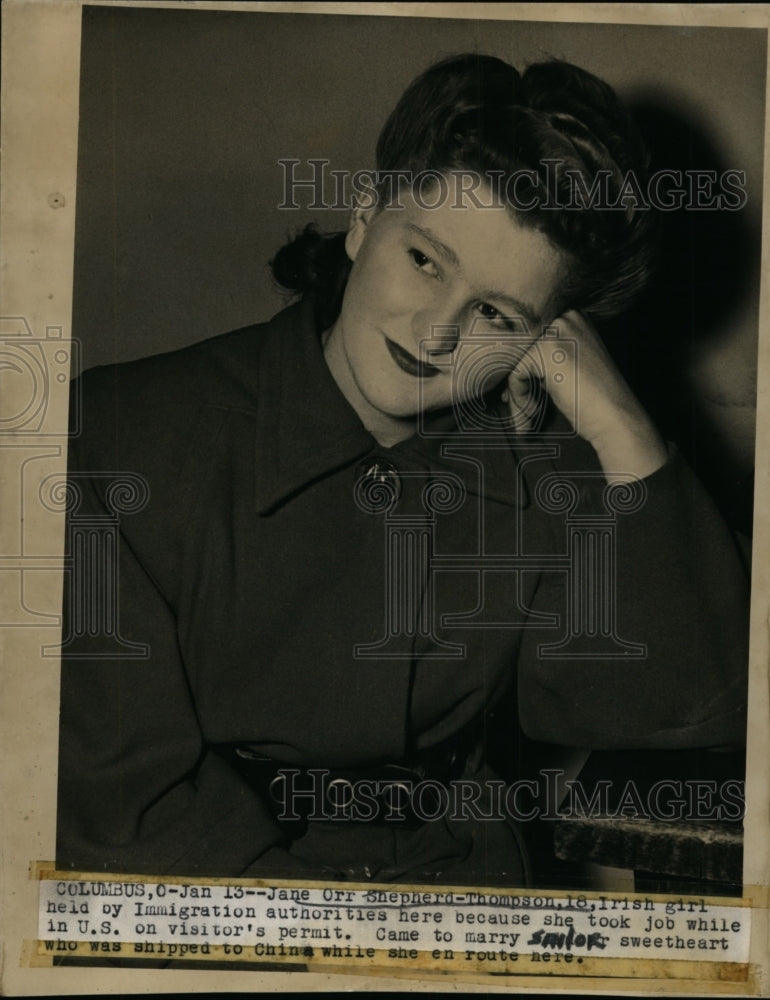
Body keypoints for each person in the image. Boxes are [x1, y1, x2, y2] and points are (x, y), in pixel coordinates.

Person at [56, 53, 749, 887]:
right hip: (213, 900)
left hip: (468, 892)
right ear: (363, 218)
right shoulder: (123, 437)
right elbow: (122, 811)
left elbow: (674, 711)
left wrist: (623, 429)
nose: (437, 334)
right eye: (424, 259)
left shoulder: (546, 465)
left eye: (496, 312)